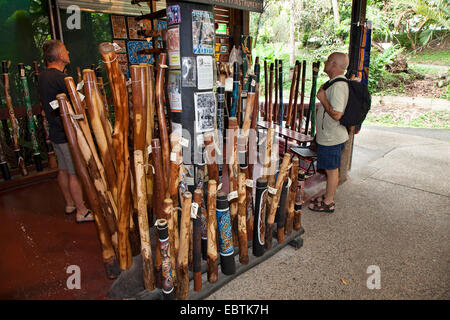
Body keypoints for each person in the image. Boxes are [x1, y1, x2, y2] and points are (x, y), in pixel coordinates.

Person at [38, 39, 93, 223]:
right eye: (65, 50)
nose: (68, 51)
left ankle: (70, 203)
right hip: (67, 132)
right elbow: (78, 103)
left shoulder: (43, 76)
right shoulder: (61, 79)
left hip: (55, 131)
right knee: (74, 172)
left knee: (62, 169)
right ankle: (81, 210)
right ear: (60, 56)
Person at [308, 52, 349, 213]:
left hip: (333, 137)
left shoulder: (339, 86)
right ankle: (327, 195)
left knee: (332, 171)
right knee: (329, 169)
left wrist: (322, 99)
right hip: (328, 136)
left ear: (333, 64)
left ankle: (329, 202)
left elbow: (337, 114)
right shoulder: (334, 83)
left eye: (327, 61)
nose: (325, 63)